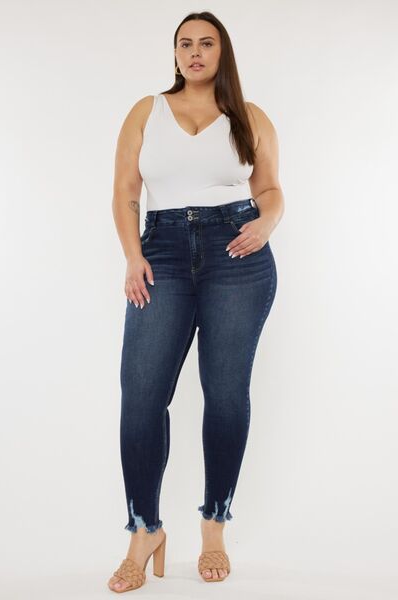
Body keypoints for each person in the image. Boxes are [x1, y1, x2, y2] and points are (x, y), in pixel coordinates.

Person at [107, 10, 284, 593]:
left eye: (206, 43)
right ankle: (144, 530)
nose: (195, 52)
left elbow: (269, 188)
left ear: (222, 51)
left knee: (226, 394)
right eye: (185, 44)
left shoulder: (249, 116)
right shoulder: (147, 111)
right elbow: (126, 191)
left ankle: (214, 527)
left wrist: (267, 222)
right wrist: (133, 256)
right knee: (141, 397)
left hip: (237, 253)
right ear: (176, 53)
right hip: (161, 254)